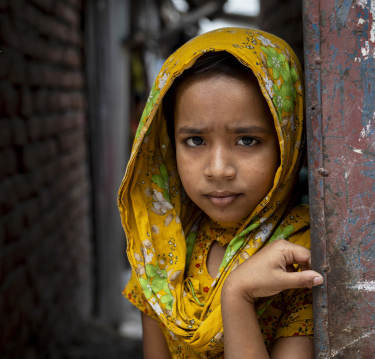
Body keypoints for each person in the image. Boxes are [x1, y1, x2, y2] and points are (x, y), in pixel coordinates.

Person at [118, 28, 324, 358]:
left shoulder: (301, 259)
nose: (218, 169)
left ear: (289, 144)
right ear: (170, 145)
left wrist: (237, 297)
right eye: (195, 141)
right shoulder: (161, 255)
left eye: (247, 140)